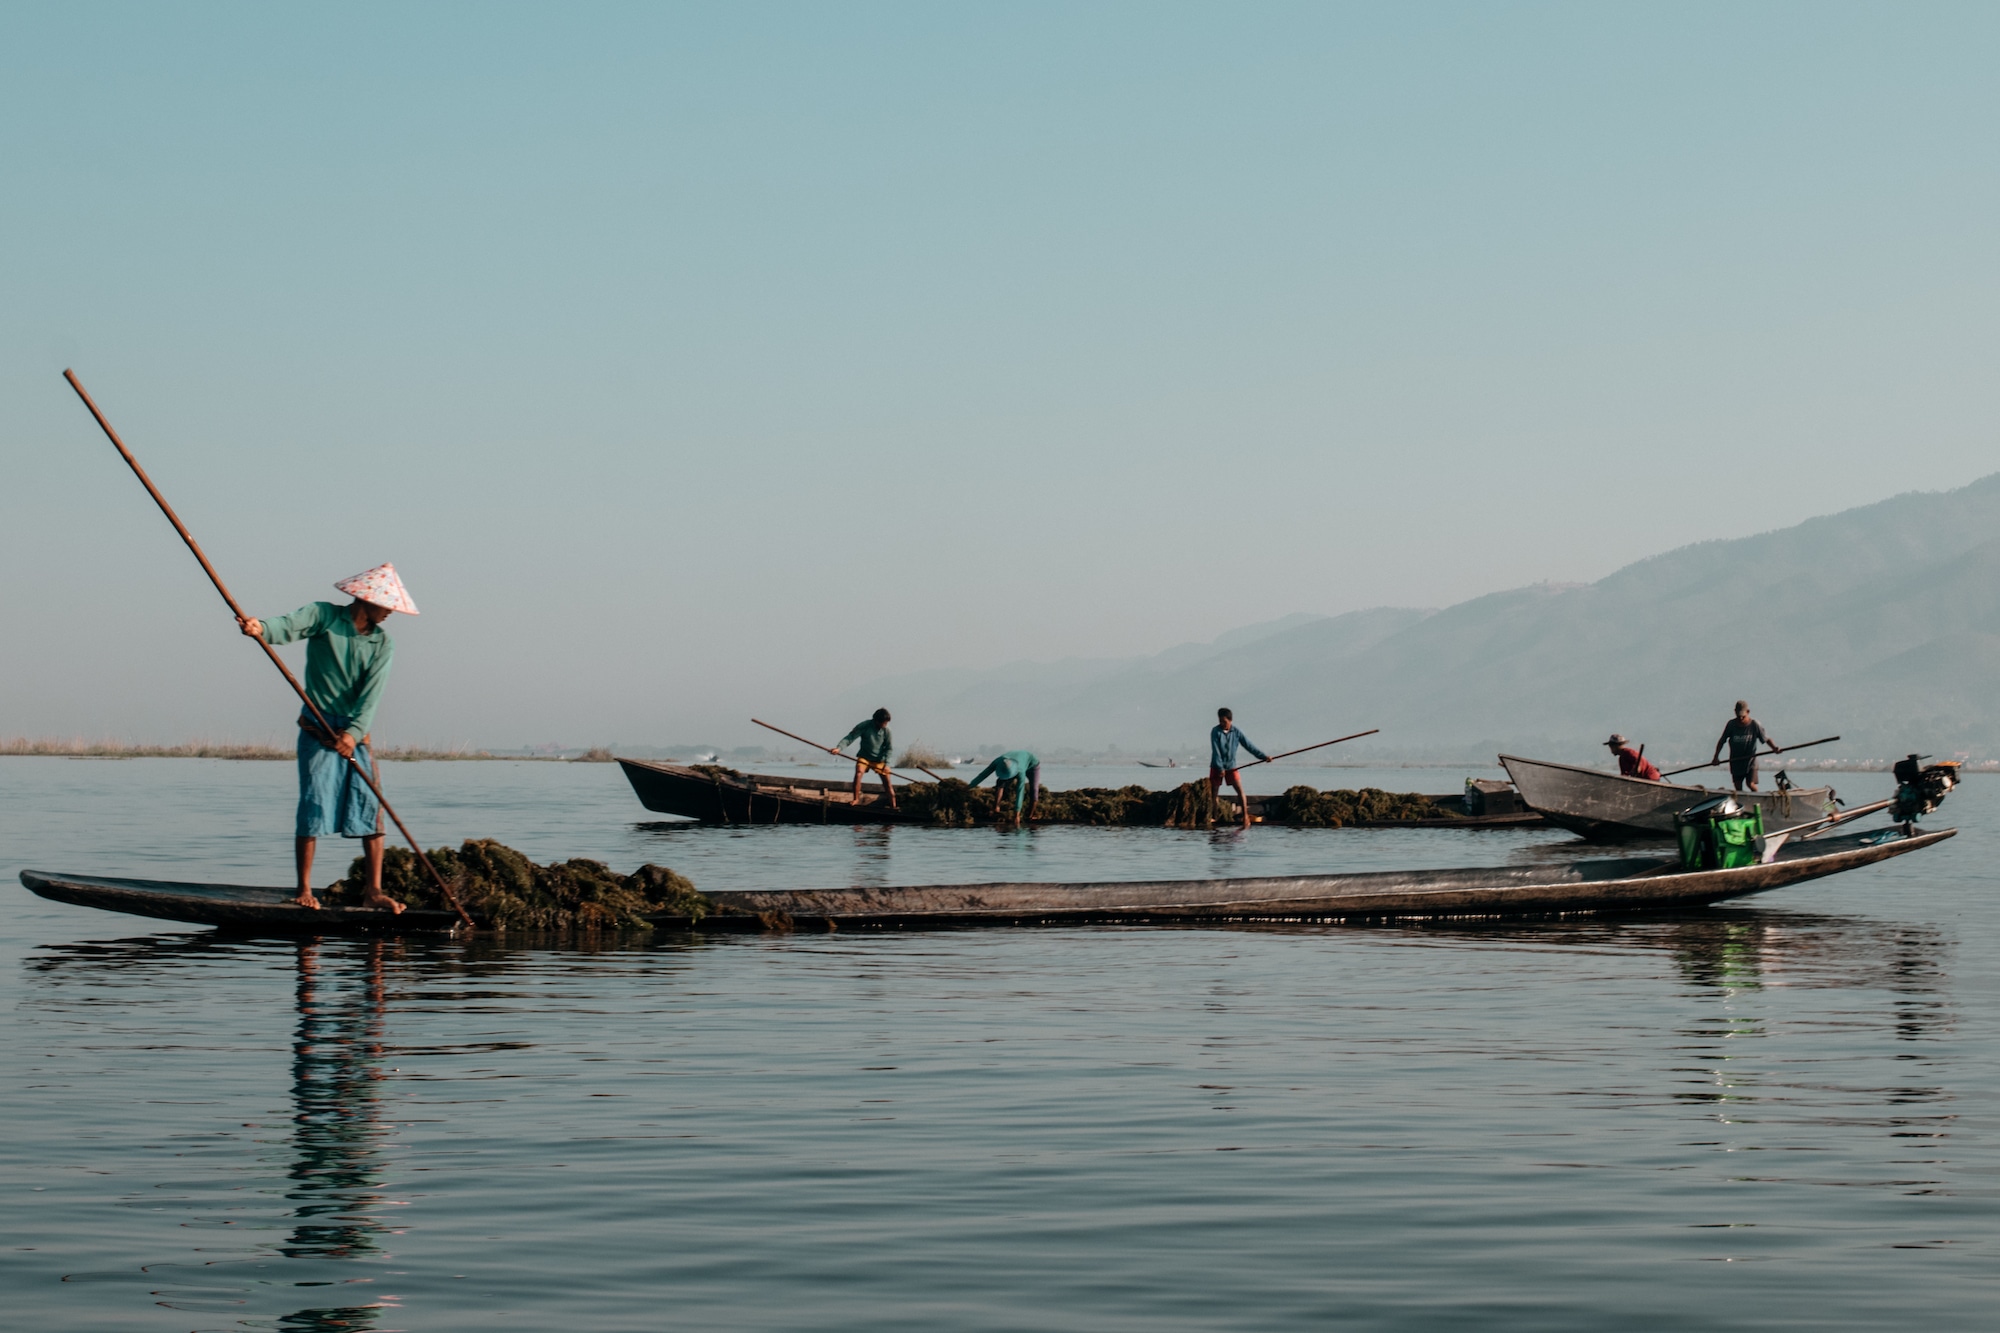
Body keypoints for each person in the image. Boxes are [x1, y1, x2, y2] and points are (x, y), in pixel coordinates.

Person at [237, 563, 418, 913]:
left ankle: (373, 891)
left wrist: (352, 733)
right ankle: (304, 889)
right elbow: (288, 626)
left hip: (355, 732)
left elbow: (372, 695)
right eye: (385, 605)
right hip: (318, 729)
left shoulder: (382, 644)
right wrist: (260, 627)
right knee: (313, 805)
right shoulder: (324, 616)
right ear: (365, 600)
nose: (389, 612)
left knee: (370, 807)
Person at [1209, 708, 1270, 830]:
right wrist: (1220, 768)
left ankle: (1246, 817)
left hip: (1231, 766)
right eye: (1220, 721)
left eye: (1224, 721)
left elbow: (1249, 746)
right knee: (1214, 792)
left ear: (1230, 720)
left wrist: (1263, 757)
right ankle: (1213, 816)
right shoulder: (1215, 731)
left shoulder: (1236, 732)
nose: (1222, 724)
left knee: (1240, 790)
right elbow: (1216, 752)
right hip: (1217, 766)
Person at [834, 708, 897, 811]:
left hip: (880, 760)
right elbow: (850, 737)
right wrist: (839, 748)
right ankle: (856, 799)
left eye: (886, 723)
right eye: (883, 723)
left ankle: (893, 806)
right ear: (876, 721)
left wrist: (887, 764)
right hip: (865, 757)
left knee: (887, 782)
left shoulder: (887, 731)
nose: (885, 725)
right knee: (859, 772)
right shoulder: (865, 725)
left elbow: (889, 748)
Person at [1711, 701, 1778, 792]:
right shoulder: (1731, 725)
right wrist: (1716, 757)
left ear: (1748, 712)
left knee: (1750, 784)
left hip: (1750, 761)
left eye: (1743, 716)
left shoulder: (1754, 725)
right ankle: (1742, 804)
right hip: (1735, 761)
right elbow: (1722, 741)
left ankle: (1757, 801)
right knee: (1738, 786)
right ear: (1735, 712)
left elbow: (1766, 739)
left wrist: (1774, 748)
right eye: (1739, 716)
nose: (1741, 718)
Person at [967, 750, 1041, 825]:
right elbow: (983, 775)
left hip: (1032, 765)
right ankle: (996, 807)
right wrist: (969, 787)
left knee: (1034, 790)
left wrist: (1017, 814)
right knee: (1000, 782)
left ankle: (1030, 815)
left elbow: (1020, 791)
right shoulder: (998, 761)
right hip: (1013, 765)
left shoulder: (1020, 771)